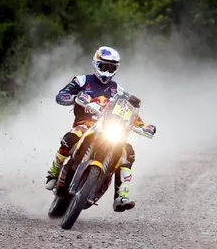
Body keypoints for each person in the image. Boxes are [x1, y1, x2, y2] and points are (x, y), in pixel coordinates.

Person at [44, 46, 157, 212]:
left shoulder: (117, 91)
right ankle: (53, 172)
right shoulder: (82, 80)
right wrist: (75, 97)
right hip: (86, 124)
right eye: (104, 66)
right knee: (71, 138)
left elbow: (130, 113)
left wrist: (143, 126)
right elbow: (61, 95)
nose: (107, 70)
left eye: (112, 67)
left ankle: (120, 196)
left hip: (110, 128)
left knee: (128, 151)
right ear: (96, 64)